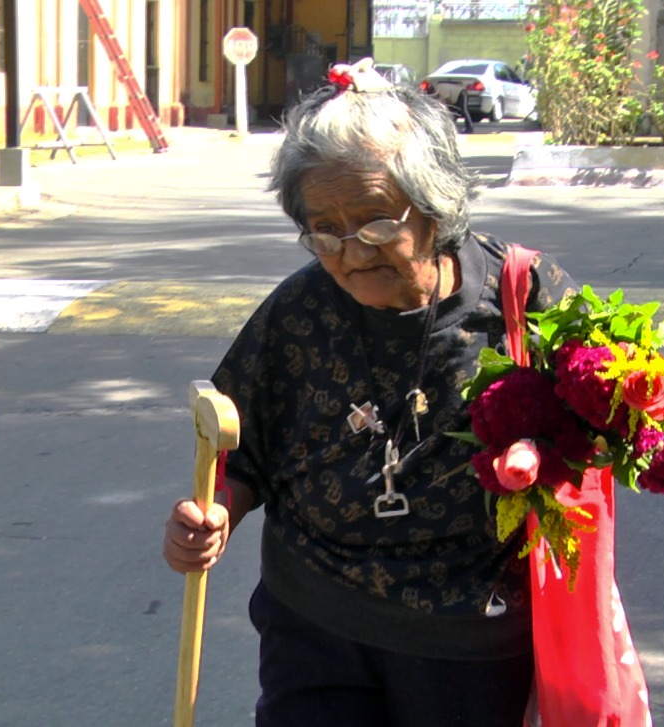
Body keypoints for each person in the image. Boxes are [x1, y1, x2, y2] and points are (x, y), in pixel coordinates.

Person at [163, 58, 580, 727]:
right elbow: (241, 447)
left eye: (377, 221)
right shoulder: (300, 310)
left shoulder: (525, 299)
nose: (350, 250)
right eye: (323, 227)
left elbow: (613, 424)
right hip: (316, 618)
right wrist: (215, 514)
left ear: (435, 204)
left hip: (468, 640)